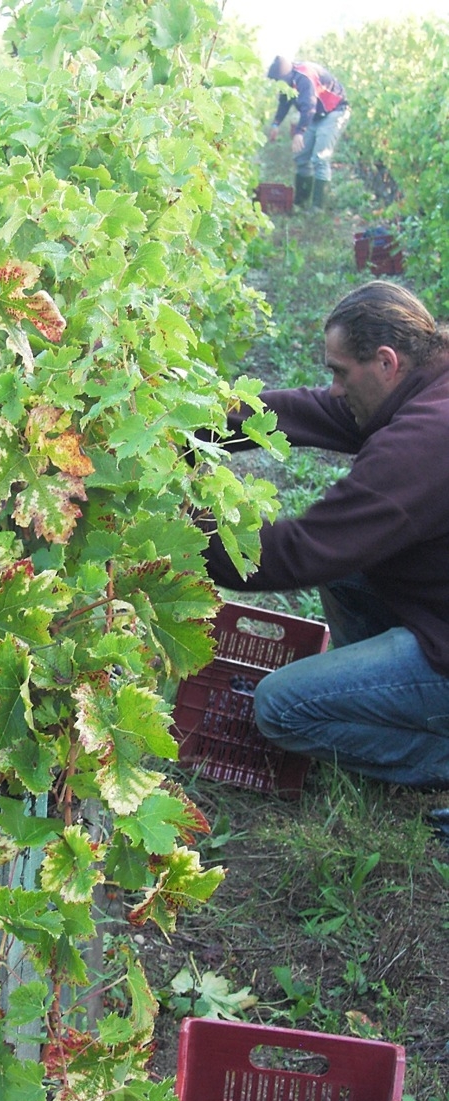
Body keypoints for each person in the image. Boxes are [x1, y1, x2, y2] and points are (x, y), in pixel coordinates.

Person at [203, 280, 449, 796]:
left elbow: (300, 553)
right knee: (353, 569)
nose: (334, 386)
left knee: (280, 708)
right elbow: (310, 411)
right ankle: (383, 695)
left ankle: (433, 746)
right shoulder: (426, 379)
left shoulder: (422, 445)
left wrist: (186, 536)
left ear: (386, 362)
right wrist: (191, 421)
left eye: (340, 372)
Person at [266, 55, 351, 209]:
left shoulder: (304, 76)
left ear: (284, 76)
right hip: (316, 114)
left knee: (320, 157)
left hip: (334, 112)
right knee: (301, 156)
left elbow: (309, 106)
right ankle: (301, 203)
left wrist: (300, 132)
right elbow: (284, 102)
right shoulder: (288, 81)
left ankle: (318, 208)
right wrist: (276, 124)